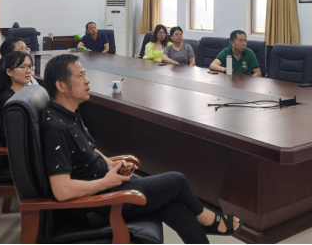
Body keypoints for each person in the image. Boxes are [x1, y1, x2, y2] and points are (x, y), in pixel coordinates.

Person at [41, 54, 242, 244]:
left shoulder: (69, 113)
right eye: (80, 76)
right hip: (98, 204)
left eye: (85, 74)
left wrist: (109, 163)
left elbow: (89, 149)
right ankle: (207, 219)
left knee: (172, 204)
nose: (87, 81)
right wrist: (106, 182)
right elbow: (62, 190)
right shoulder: (55, 128)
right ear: (61, 86)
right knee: (176, 181)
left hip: (107, 187)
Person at [0, 51, 33, 146]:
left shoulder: (28, 92)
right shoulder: (9, 100)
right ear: (9, 72)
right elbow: (14, 134)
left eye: (30, 66)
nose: (28, 71)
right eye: (22, 67)